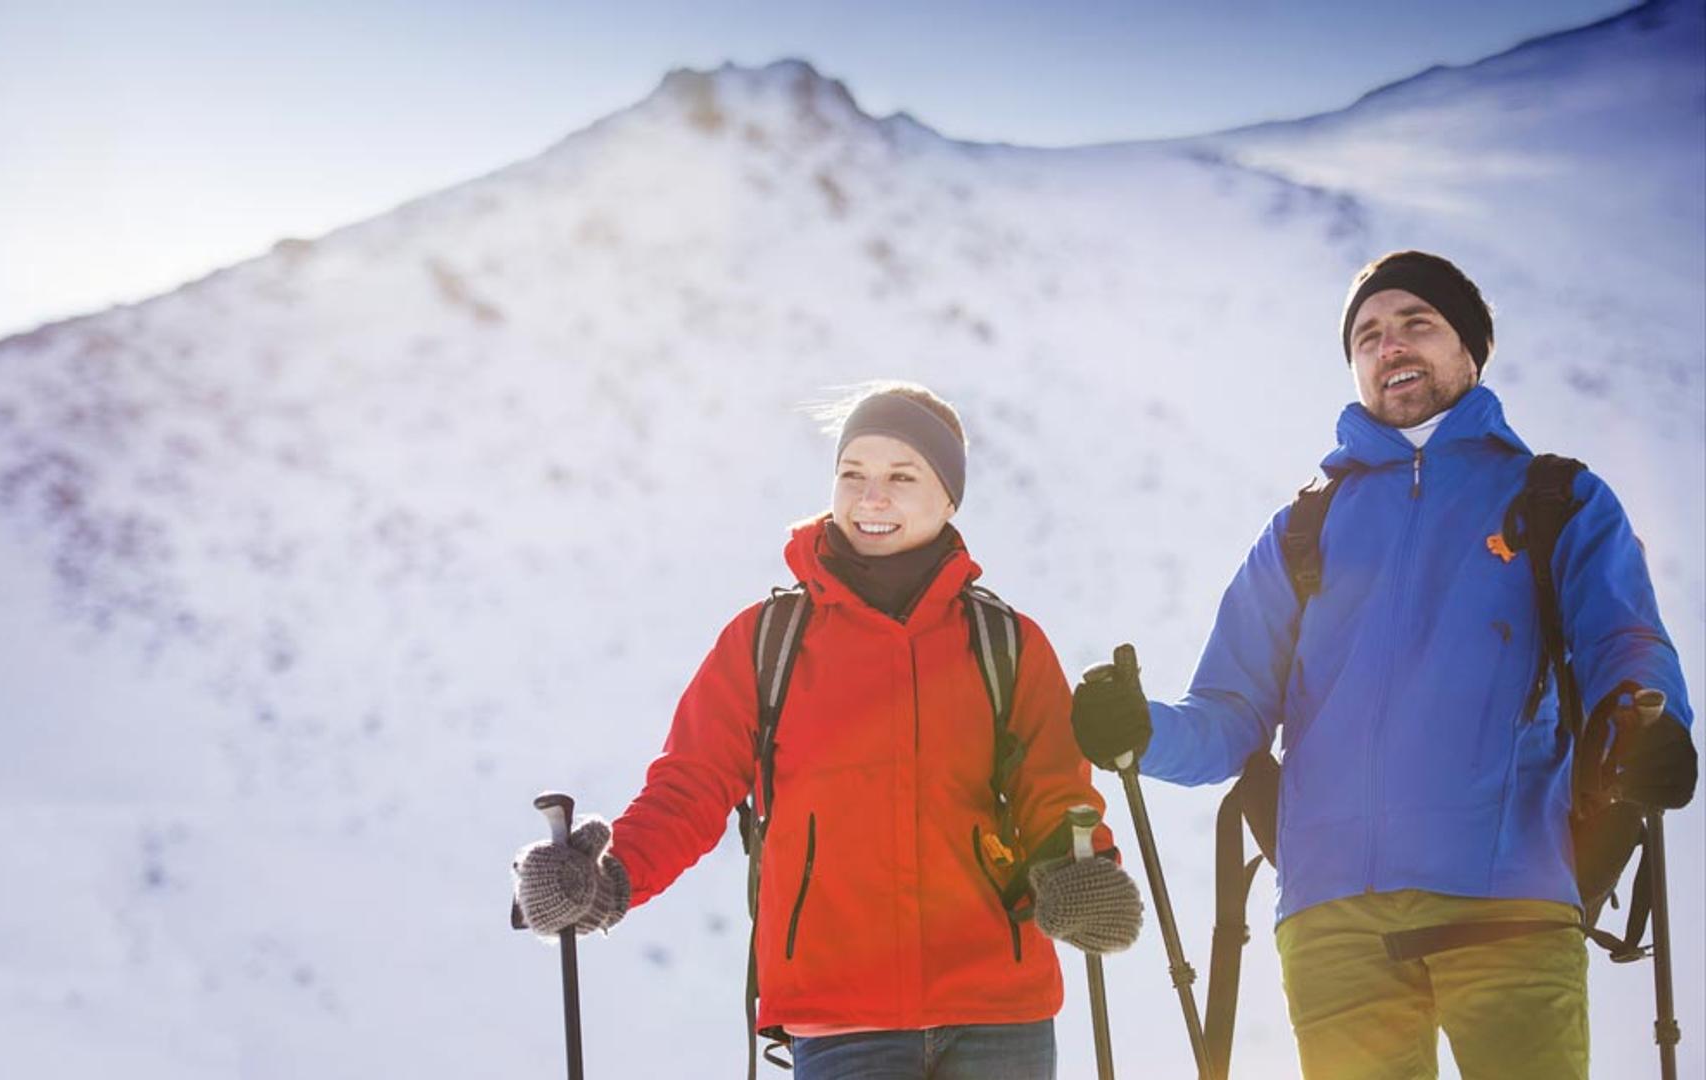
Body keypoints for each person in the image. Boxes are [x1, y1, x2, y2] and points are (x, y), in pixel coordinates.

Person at [1069, 251, 1698, 1079]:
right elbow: (1228, 715)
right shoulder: (1302, 527)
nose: (1389, 346)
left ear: (1469, 351)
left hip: (1507, 901)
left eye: (1416, 324)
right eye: (1367, 334)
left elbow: (1627, 645)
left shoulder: (1555, 500)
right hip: (1334, 923)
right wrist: (1141, 732)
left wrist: (1649, 726)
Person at [513, 382, 1141, 1080]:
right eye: (854, 475)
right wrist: (608, 876)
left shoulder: (1005, 644)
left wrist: (1080, 873)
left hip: (999, 1012)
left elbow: (1052, 791)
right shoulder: (767, 642)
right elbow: (690, 785)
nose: (872, 499)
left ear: (949, 498)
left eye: (902, 477)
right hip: (842, 1019)